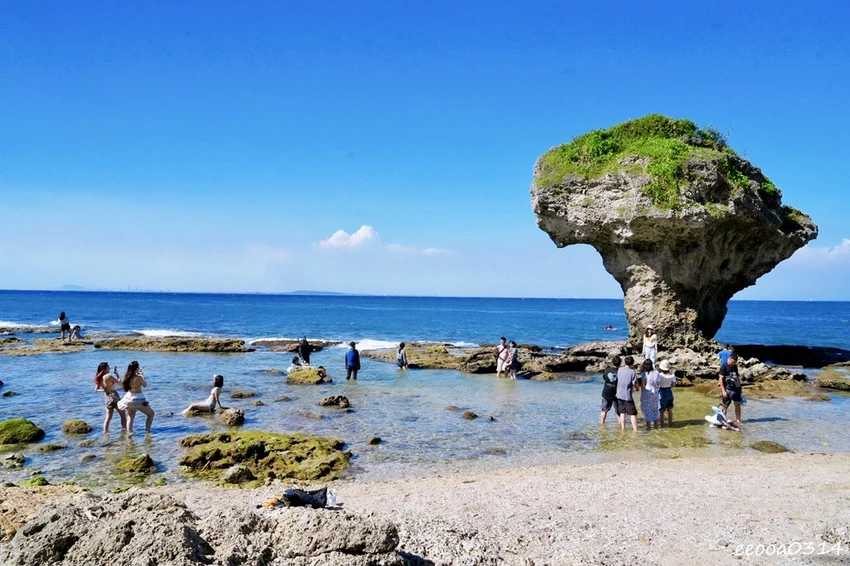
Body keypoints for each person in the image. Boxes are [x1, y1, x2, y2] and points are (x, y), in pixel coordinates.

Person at [117, 361, 155, 434]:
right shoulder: (139, 377)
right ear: (137, 368)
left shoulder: (127, 377)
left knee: (130, 417)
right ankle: (148, 432)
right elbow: (145, 385)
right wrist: (142, 375)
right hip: (139, 400)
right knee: (151, 414)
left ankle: (129, 434)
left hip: (128, 399)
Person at [94, 362, 127, 433]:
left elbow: (96, 389)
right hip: (114, 396)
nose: (109, 368)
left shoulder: (99, 377)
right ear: (105, 369)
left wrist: (105, 389)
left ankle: (106, 434)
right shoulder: (108, 376)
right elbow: (120, 383)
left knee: (108, 418)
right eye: (108, 367)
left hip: (107, 396)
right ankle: (124, 431)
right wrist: (117, 374)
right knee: (123, 415)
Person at [616, 355, 639, 432]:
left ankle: (623, 428)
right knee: (633, 413)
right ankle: (635, 430)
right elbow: (635, 384)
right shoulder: (632, 372)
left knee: (622, 412)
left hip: (619, 394)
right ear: (632, 363)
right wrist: (637, 389)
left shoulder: (620, 370)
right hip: (627, 396)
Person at [719, 353, 743, 424]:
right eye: (732, 362)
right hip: (728, 389)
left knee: (737, 405)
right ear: (729, 359)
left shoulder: (735, 366)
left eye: (734, 363)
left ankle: (738, 420)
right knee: (725, 406)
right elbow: (720, 379)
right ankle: (722, 421)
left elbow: (737, 377)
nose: (733, 364)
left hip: (736, 389)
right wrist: (723, 391)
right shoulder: (724, 366)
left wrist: (740, 388)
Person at [639, 359, 660, 430]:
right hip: (655, 393)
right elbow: (658, 383)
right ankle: (656, 428)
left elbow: (643, 386)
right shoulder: (656, 372)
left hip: (647, 393)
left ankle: (648, 428)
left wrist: (641, 396)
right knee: (655, 410)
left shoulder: (644, 374)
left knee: (647, 410)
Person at [599, 355, 620, 425]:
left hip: (606, 393)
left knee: (604, 410)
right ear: (620, 363)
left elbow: (605, 378)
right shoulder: (620, 372)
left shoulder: (607, 370)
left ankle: (602, 425)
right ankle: (620, 427)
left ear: (612, 363)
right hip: (616, 394)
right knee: (618, 412)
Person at [657, 359, 677, 426]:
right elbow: (673, 385)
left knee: (662, 410)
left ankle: (662, 423)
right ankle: (670, 422)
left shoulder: (659, 375)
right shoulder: (672, 375)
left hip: (662, 391)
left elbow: (657, 384)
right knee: (669, 408)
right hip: (669, 391)